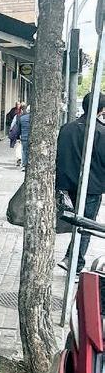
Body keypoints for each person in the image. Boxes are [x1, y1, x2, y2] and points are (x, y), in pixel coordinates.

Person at [56, 92, 105, 274]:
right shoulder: (101, 132)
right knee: (85, 225)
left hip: (68, 185)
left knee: (76, 222)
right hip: (91, 187)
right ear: (101, 109)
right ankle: (74, 262)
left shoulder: (67, 129)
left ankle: (71, 258)